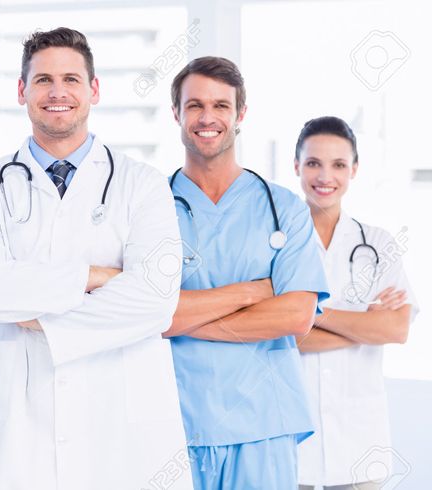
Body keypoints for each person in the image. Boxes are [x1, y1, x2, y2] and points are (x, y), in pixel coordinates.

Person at [0, 28, 191, 489]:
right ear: (22, 91)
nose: (57, 92)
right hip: (18, 430)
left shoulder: (141, 184)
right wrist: (93, 276)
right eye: (42, 80)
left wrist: (41, 317)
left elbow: (157, 299)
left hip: (118, 423)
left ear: (94, 89)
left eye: (71, 79)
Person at [163, 56, 329, 490]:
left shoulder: (284, 209)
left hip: (264, 424)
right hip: (174, 419)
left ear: (240, 115)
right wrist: (251, 293)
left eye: (221, 105)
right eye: (194, 104)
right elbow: (143, 313)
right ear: (176, 113)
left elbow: (295, 317)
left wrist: (179, 319)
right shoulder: (150, 209)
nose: (207, 117)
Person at [293, 116, 418, 490]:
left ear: (355, 170)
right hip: (293, 446)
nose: (325, 176)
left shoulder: (377, 244)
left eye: (338, 165)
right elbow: (277, 335)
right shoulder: (277, 244)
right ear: (296, 166)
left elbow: (396, 329)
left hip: (360, 447)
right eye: (313, 163)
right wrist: (364, 324)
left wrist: (310, 314)